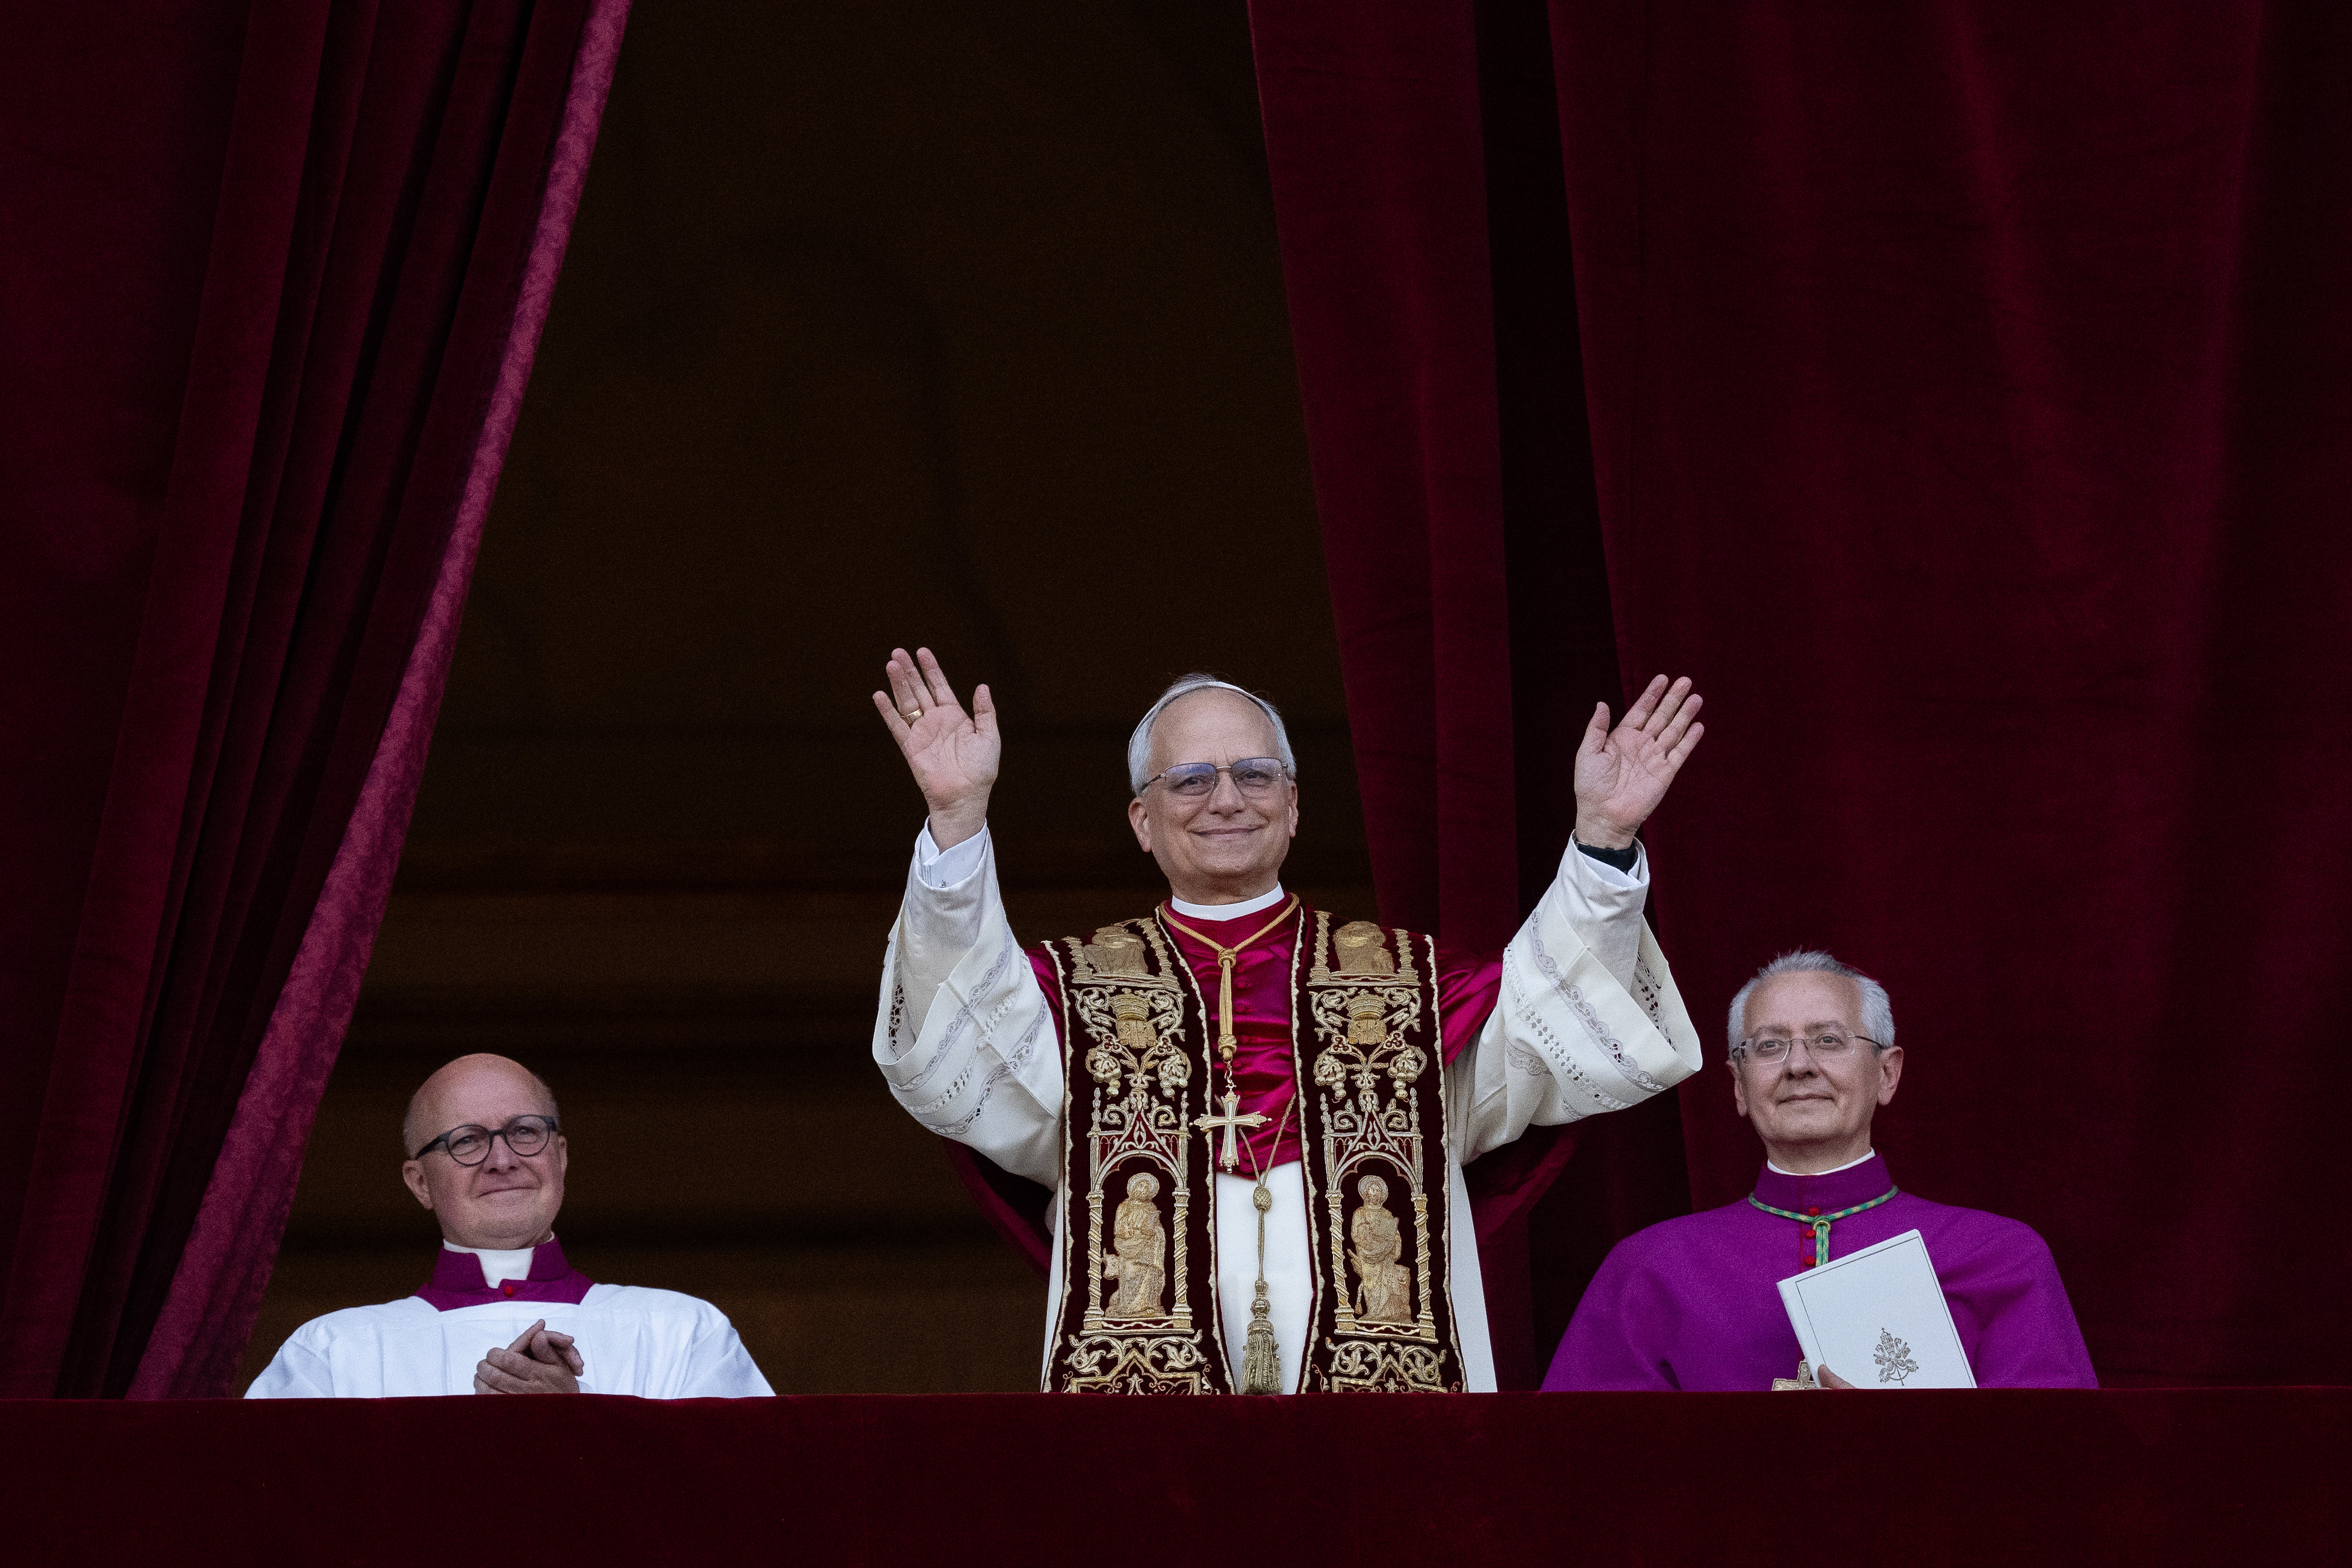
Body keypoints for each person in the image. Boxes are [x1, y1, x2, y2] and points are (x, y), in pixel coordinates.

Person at [870, 647, 1709, 1393]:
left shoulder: (1408, 985)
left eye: (1256, 774)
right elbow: (962, 1046)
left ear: (1295, 804)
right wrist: (957, 822)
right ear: (1141, 821)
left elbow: (1543, 1036)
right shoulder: (1073, 991)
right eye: (1189, 779)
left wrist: (1602, 841)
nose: (1226, 798)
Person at [1544, 950, 2096, 1391]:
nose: (1799, 1065)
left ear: (1887, 1073)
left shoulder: (1999, 1256)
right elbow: (1587, 1463)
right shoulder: (1650, 1268)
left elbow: (2056, 1460)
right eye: (1769, 1046)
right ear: (1739, 1087)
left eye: (1828, 1041)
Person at [247, 1053, 772, 1399]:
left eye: (524, 1131)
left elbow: (745, 1501)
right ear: (420, 1183)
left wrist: (585, 1423)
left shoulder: (682, 1331)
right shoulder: (332, 1352)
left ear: (560, 1157)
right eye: (466, 1141)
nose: (502, 1160)